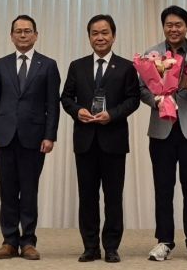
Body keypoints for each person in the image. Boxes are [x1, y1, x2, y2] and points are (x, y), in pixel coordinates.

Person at [61, 15, 140, 263]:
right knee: (87, 196)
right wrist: (78, 111)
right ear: (89, 37)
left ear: (113, 36)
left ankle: (112, 247)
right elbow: (66, 98)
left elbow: (133, 99)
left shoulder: (126, 67)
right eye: (95, 33)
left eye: (105, 32)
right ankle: (90, 246)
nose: (100, 37)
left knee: (113, 197)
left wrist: (112, 115)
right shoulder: (77, 66)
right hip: (85, 141)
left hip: (113, 141)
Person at [140, 5, 187, 263]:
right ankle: (164, 241)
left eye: (178, 24)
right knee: (163, 188)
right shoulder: (152, 54)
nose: (174, 29)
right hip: (161, 129)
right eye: (169, 25)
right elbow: (141, 89)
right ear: (163, 27)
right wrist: (157, 100)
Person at [0, 15, 61, 260]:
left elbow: (53, 105)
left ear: (36, 35)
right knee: (7, 191)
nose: (23, 35)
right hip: (5, 137)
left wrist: (50, 136)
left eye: (27, 31)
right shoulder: (1, 64)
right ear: (11, 36)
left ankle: (28, 241)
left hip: (34, 138)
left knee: (29, 191)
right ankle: (9, 241)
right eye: (18, 31)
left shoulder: (48, 65)